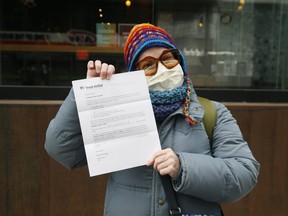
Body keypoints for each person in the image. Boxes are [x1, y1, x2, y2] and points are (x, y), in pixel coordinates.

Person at [45, 23, 260, 216]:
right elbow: (61, 149)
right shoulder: (116, 112)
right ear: (134, 73)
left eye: (168, 58)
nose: (162, 68)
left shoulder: (211, 113)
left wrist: (183, 167)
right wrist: (84, 95)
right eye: (148, 64)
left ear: (180, 62)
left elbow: (244, 173)